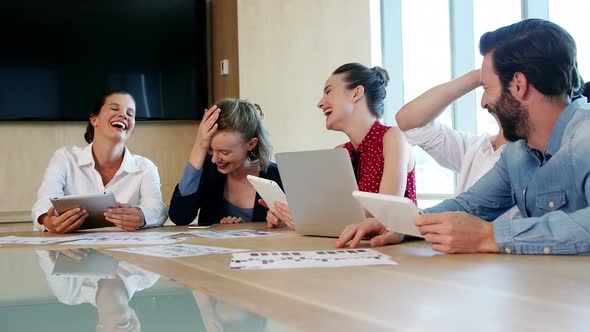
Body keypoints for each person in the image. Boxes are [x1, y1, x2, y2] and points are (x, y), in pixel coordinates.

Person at [337, 18, 590, 255]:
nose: (483, 102)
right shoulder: (517, 153)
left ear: (518, 85)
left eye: (487, 88)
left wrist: (490, 236)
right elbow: (469, 206)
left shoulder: (584, 138)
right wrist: (401, 224)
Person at [266, 63, 417, 231]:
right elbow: (331, 212)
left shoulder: (393, 137)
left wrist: (311, 215)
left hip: (396, 253)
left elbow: (387, 212)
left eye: (328, 91)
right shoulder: (340, 152)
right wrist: (287, 213)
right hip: (355, 248)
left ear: (356, 93)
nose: (320, 103)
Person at [32, 90, 168, 233]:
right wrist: (49, 222)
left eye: (130, 113)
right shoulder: (65, 158)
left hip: (125, 251)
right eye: (114, 108)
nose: (123, 115)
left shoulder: (145, 167)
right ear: (94, 119)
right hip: (71, 252)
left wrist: (142, 217)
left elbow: (158, 208)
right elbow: (44, 201)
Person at [168, 98, 282, 226]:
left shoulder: (278, 176)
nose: (214, 159)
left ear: (251, 144)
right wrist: (199, 146)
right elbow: (179, 217)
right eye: (210, 149)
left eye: (225, 152)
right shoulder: (207, 171)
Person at [37, 249, 159, 332]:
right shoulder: (148, 275)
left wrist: (57, 245)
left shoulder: (69, 292)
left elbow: (42, 247)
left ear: (100, 330)